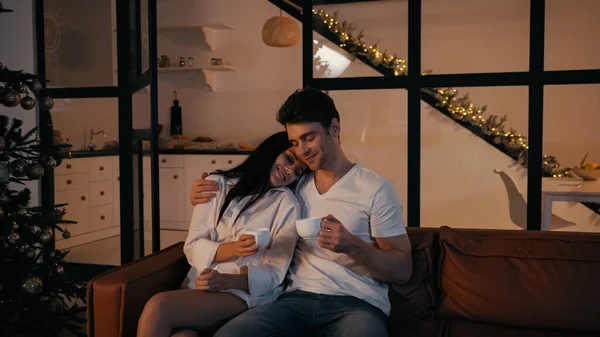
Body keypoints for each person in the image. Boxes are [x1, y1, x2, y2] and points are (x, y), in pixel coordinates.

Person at [188, 88, 413, 337]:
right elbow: (248, 188)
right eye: (295, 142)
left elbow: (403, 270)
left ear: (334, 128)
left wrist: (353, 246)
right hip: (292, 301)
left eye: (309, 138)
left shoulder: (375, 188)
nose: (303, 151)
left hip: (357, 304)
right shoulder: (294, 185)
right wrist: (208, 187)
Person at [137, 131, 307, 337]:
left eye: (298, 171)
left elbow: (275, 273)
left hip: (242, 294)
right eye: (288, 158)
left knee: (159, 307)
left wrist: (226, 281)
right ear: (270, 151)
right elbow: (192, 246)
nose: (290, 171)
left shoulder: (287, 205)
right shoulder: (217, 184)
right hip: (200, 285)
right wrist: (232, 249)